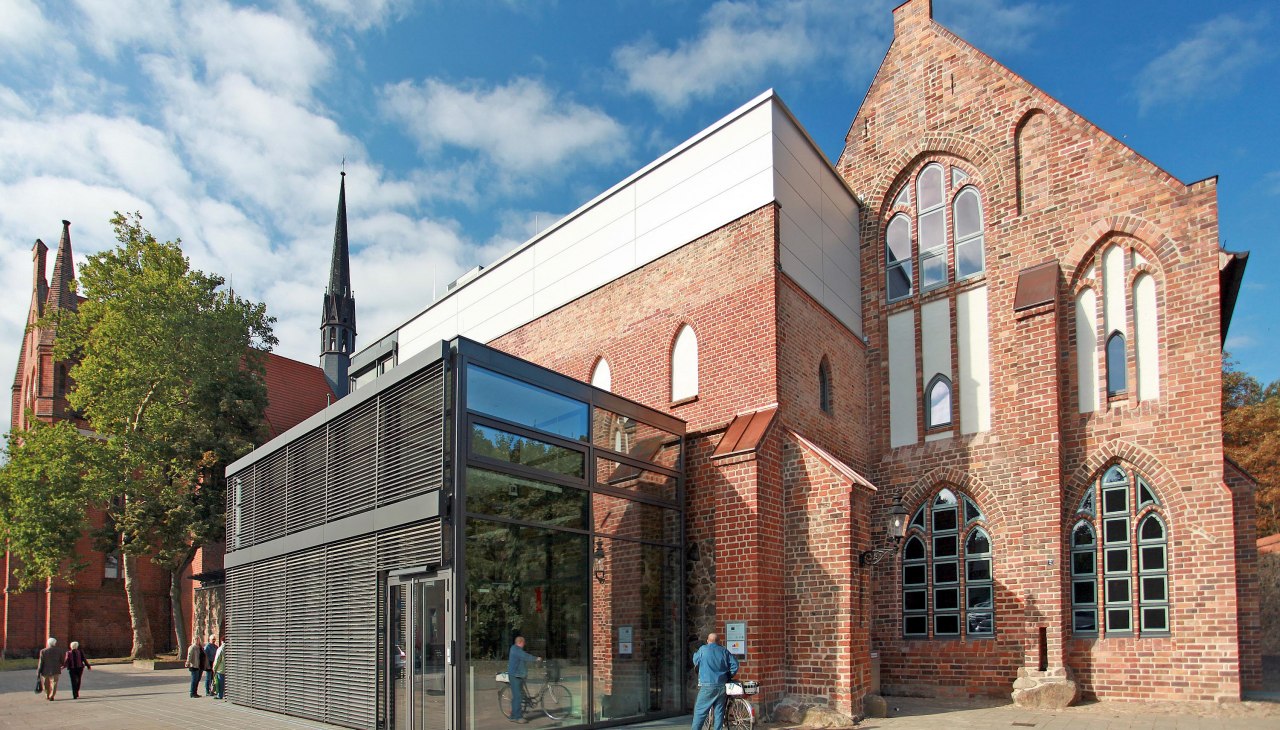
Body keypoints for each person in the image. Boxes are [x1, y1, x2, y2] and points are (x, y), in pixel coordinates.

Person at [690, 632, 738, 730]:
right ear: (719, 641)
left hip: (707, 686)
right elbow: (735, 665)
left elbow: (696, 661)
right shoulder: (724, 651)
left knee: (700, 712)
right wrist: (729, 675)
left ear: (708, 641)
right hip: (722, 685)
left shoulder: (703, 649)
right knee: (719, 712)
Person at [506, 634, 540, 723]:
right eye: (524, 643)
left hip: (519, 675)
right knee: (518, 696)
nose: (524, 644)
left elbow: (523, 660)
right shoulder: (515, 649)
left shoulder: (517, 650)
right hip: (515, 676)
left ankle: (513, 715)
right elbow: (525, 656)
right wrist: (536, 658)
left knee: (518, 696)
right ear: (520, 642)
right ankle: (518, 717)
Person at [36, 637, 62, 701]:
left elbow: (41, 662)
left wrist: (39, 671)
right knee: (54, 683)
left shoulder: (43, 651)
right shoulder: (59, 651)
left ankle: (47, 695)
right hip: (56, 669)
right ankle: (52, 695)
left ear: (48, 643)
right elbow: (61, 660)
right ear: (55, 643)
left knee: (46, 683)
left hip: (45, 670)